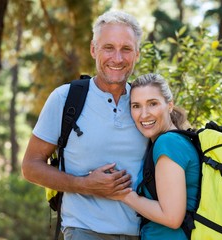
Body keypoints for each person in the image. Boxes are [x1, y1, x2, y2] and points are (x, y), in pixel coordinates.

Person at [21, 10, 148, 240]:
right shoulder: (64, 99)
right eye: (108, 47)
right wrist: (85, 185)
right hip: (83, 231)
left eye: (126, 49)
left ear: (137, 54)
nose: (117, 58)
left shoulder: (145, 104)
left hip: (142, 233)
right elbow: (30, 166)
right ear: (93, 49)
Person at [109, 73, 200, 240]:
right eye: (136, 106)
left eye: (153, 104)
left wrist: (122, 194)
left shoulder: (168, 143)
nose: (144, 115)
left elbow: (172, 217)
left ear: (169, 105)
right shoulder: (177, 139)